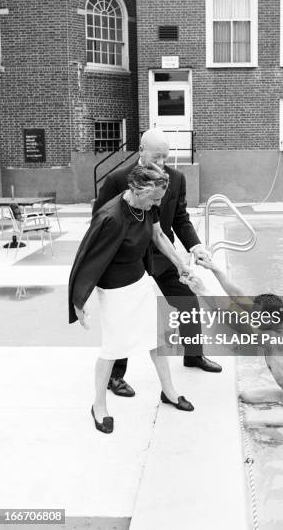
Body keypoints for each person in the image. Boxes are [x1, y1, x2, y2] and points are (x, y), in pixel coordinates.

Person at [93, 128, 221, 399]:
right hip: (128, 259)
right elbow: (100, 219)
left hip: (162, 254)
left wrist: (195, 247)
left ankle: (194, 355)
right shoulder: (117, 179)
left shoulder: (176, 178)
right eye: (157, 156)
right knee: (126, 315)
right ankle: (116, 376)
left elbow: (180, 218)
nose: (162, 162)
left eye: (166, 156)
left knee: (187, 300)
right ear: (141, 150)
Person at [69, 164, 194, 434]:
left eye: (160, 198)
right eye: (155, 199)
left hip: (139, 281)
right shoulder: (111, 217)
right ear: (137, 190)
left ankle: (169, 392)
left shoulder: (150, 204)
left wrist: (179, 263)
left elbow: (159, 235)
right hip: (114, 290)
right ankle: (98, 406)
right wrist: (79, 301)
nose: (158, 204)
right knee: (113, 349)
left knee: (157, 337)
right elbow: (87, 259)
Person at [183, 257, 283, 428]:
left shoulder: (275, 340)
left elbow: (235, 321)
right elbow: (238, 296)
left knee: (251, 422)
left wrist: (203, 291)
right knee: (245, 396)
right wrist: (213, 267)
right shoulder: (271, 323)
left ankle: (278, 442)